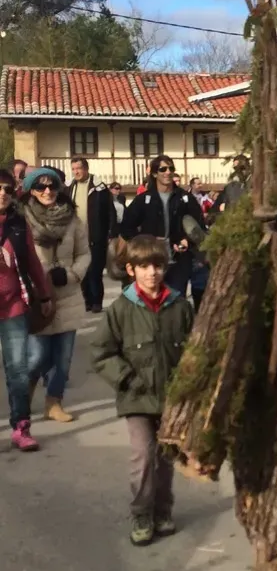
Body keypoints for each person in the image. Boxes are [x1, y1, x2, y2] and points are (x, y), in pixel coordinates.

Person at [91, 234, 194, 545]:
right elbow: (101, 352)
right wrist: (126, 379)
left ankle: (163, 511)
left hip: (172, 398)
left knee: (166, 459)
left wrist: (189, 387)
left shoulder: (180, 307)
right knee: (143, 456)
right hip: (136, 398)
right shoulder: (121, 309)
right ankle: (141, 512)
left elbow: (194, 350)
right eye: (144, 266)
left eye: (158, 265)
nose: (152, 273)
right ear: (131, 269)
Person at [22, 167, 91, 423]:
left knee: (63, 358)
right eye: (41, 187)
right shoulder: (23, 221)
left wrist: (72, 274)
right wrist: (35, 282)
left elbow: (85, 253)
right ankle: (23, 397)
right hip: (38, 296)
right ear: (32, 191)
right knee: (37, 357)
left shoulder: (73, 219)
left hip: (68, 294)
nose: (48, 191)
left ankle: (54, 402)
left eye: (52, 186)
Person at [0, 168, 53, 451]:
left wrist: (44, 296)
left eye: (8, 190)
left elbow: (32, 260)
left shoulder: (19, 224)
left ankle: (21, 427)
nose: (3, 194)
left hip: (13, 306)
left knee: (18, 370)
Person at [119, 156, 205, 297]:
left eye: (171, 168)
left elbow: (200, 227)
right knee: (152, 300)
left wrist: (187, 241)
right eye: (163, 169)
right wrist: (146, 242)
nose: (168, 172)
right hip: (151, 261)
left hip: (179, 261)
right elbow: (126, 228)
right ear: (154, 174)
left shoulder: (186, 199)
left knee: (176, 300)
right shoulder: (143, 200)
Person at [69, 156, 116, 314]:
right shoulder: (69, 187)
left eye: (78, 168)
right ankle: (86, 301)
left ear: (86, 169)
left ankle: (97, 302)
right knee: (81, 271)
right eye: (73, 169)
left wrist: (111, 233)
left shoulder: (99, 188)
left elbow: (110, 212)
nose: (76, 172)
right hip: (76, 237)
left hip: (96, 236)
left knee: (95, 271)